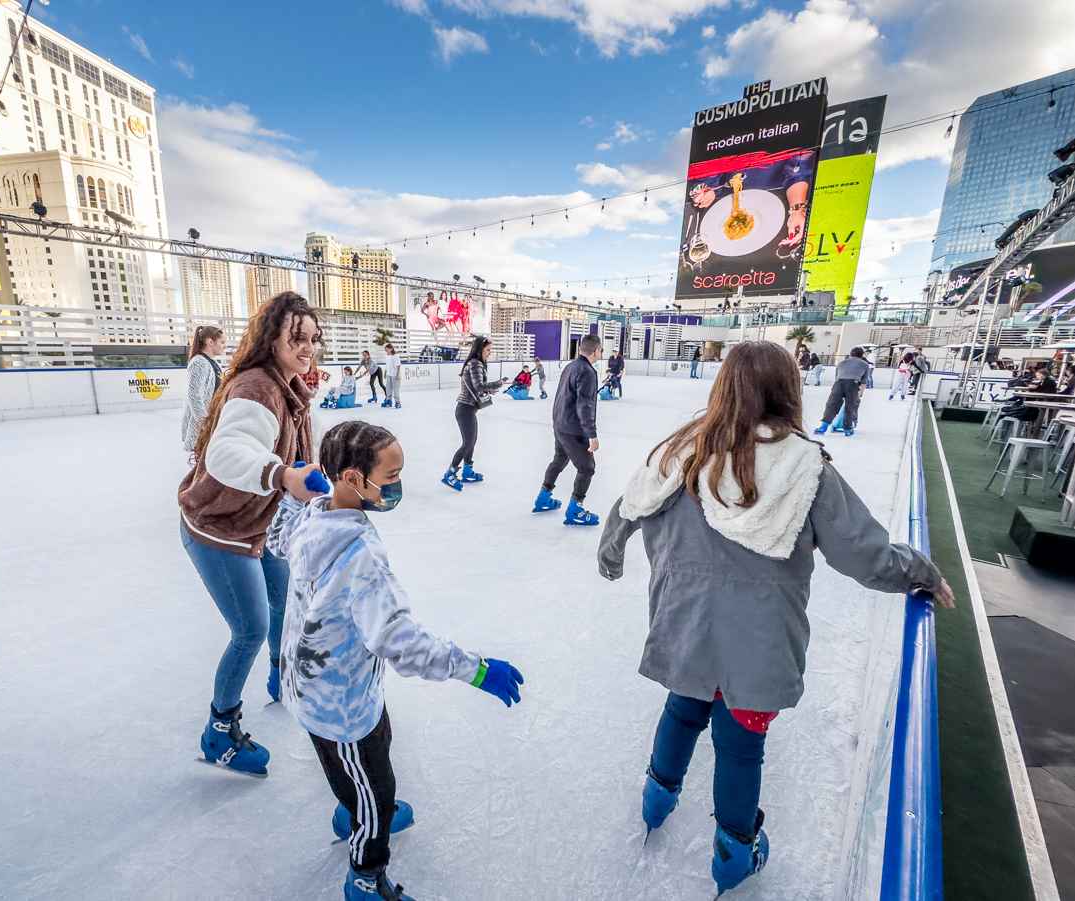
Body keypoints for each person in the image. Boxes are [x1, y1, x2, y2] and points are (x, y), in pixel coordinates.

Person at [596, 341, 954, 896]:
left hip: (682, 628)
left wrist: (611, 556)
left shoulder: (678, 452)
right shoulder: (803, 468)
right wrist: (921, 572)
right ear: (788, 392)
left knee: (683, 708)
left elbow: (627, 509)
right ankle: (733, 854)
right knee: (740, 746)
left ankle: (656, 799)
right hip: (757, 648)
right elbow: (865, 555)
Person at [273, 420, 525, 901]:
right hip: (340, 701)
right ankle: (366, 876)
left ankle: (353, 807)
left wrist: (290, 496)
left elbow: (278, 541)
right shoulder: (359, 552)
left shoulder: (314, 513)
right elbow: (399, 640)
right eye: (390, 476)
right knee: (376, 790)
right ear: (352, 478)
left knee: (358, 755)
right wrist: (475, 669)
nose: (397, 485)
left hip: (321, 685)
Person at [177, 292, 327, 776]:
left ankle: (281, 675)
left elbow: (298, 442)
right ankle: (219, 732)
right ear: (272, 339)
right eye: (297, 339)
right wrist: (283, 476)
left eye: (313, 339)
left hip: (259, 524)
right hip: (220, 528)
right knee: (250, 629)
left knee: (284, 604)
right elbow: (228, 452)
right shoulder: (256, 388)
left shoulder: (285, 385)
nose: (308, 348)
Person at [532, 334, 603, 525]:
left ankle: (543, 497)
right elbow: (584, 405)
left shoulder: (570, 366)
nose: (600, 353)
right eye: (600, 350)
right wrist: (592, 435)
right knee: (587, 468)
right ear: (596, 351)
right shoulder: (588, 372)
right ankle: (575, 510)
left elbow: (561, 396)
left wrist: (557, 422)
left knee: (559, 459)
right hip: (573, 428)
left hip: (560, 423)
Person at [442, 336, 507, 490]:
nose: (490, 353)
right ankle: (450, 473)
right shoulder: (475, 364)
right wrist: (498, 383)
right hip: (465, 409)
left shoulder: (475, 363)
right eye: (488, 350)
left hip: (469, 409)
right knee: (468, 443)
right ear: (480, 349)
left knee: (472, 441)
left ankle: (467, 471)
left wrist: (491, 389)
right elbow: (479, 386)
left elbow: (478, 387)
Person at [183, 326, 225, 455]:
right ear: (210, 342)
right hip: (205, 427)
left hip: (213, 423)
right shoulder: (199, 363)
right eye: (222, 342)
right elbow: (194, 395)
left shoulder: (212, 363)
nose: (224, 346)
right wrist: (204, 423)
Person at [813, 347, 870, 437]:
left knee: (832, 405)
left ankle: (823, 427)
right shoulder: (865, 364)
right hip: (853, 384)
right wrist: (860, 394)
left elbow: (837, 377)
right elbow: (864, 382)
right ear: (862, 355)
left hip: (839, 383)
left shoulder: (841, 363)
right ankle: (847, 429)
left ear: (851, 354)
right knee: (849, 406)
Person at [383, 343, 402, 409]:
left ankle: (398, 402)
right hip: (389, 374)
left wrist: (397, 375)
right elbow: (387, 365)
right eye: (385, 350)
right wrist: (385, 373)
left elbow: (398, 366)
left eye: (387, 349)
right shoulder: (387, 356)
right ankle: (389, 401)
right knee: (388, 389)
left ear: (391, 349)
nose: (386, 351)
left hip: (395, 375)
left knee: (395, 390)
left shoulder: (395, 356)